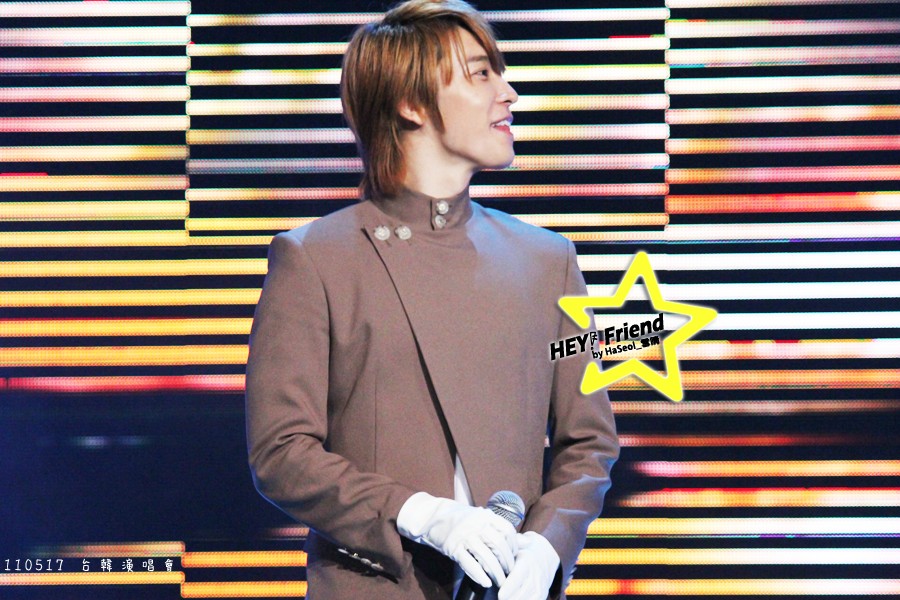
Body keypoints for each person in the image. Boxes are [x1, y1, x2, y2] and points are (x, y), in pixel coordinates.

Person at [244, 1, 619, 598]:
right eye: (480, 74)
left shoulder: (547, 260)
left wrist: (549, 545)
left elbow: (589, 442)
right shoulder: (316, 257)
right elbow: (282, 452)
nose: (508, 93)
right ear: (410, 104)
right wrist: (422, 515)